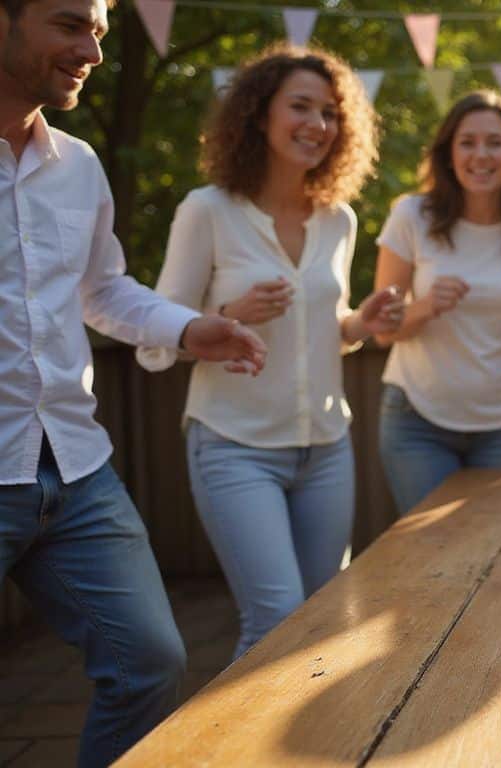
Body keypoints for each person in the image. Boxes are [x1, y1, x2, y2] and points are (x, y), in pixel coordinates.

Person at [0, 0, 267, 764]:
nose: (90, 49)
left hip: (77, 471)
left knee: (151, 664)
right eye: (68, 24)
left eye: (100, 32)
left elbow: (103, 290)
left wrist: (189, 328)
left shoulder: (78, 167)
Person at [136, 45, 402, 659]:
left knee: (324, 615)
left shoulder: (339, 220)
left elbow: (325, 326)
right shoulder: (206, 210)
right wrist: (228, 317)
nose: (318, 124)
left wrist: (359, 321)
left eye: (331, 113)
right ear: (258, 115)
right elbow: (156, 334)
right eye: (300, 107)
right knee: (276, 618)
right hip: (234, 447)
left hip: (326, 449)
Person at [373, 91, 501, 515]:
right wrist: (424, 306)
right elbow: (383, 329)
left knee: (497, 553)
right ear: (448, 154)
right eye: (468, 142)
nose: (481, 154)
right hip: (416, 421)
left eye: (495, 142)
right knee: (431, 555)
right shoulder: (412, 216)